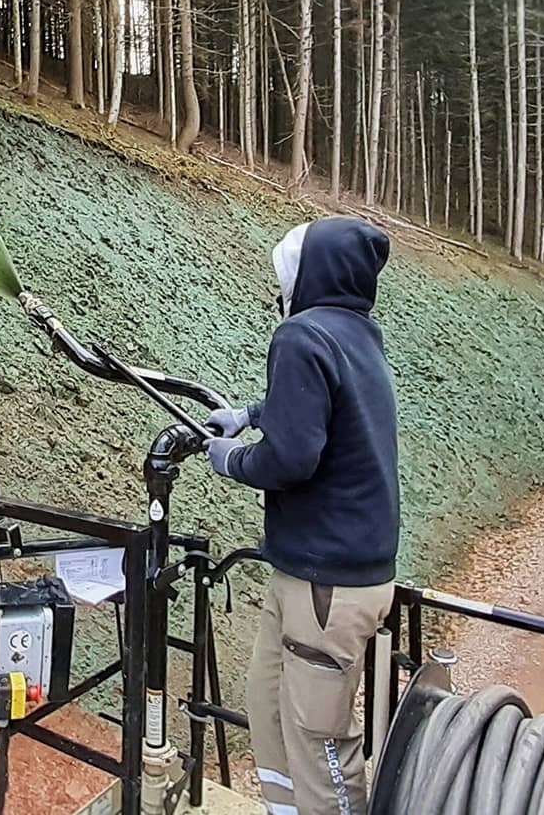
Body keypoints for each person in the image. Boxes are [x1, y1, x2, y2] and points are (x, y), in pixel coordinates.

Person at [204, 215, 400, 815]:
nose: (279, 288)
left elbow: (292, 458)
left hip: (327, 583)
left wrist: (230, 459)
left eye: (285, 275)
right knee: (267, 707)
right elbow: (317, 409)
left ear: (309, 274)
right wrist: (252, 411)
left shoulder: (301, 335)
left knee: (321, 744)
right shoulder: (356, 334)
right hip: (311, 571)